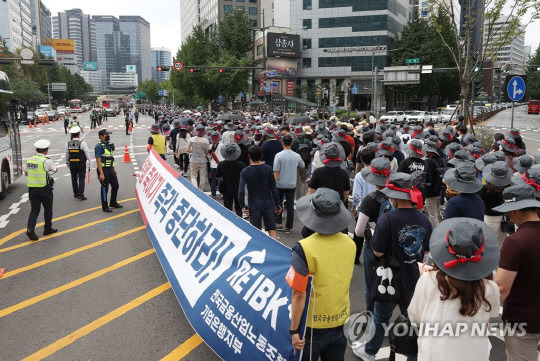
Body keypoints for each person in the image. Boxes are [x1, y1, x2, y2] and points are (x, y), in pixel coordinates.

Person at [352, 172, 432, 361]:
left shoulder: (387, 219)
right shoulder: (424, 220)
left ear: (395, 197)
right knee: (413, 319)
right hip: (413, 277)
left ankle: (370, 351)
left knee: (381, 317)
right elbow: (426, 253)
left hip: (389, 278)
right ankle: (413, 356)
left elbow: (378, 252)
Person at [408, 218, 500, 361]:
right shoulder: (490, 288)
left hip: (434, 353)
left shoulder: (429, 280)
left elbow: (415, 317)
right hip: (474, 354)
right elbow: (491, 313)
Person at [287, 188, 355, 361]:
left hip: (312, 326)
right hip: (341, 320)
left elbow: (298, 294)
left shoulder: (303, 248)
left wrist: (294, 330)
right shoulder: (350, 243)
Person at [493, 186, 540, 361]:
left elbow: (502, 286)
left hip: (522, 319)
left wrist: (487, 312)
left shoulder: (516, 242)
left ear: (512, 212)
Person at [305, 142, 350, 237]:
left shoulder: (318, 172)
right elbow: (346, 193)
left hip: (320, 208)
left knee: (307, 232)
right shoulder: (344, 173)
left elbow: (310, 192)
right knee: (341, 234)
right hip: (338, 208)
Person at [238, 145, 281, 239]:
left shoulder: (245, 171)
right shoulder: (268, 169)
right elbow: (274, 188)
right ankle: (274, 251)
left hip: (254, 204)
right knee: (272, 229)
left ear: (249, 156)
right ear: (261, 155)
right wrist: (278, 204)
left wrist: (242, 205)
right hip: (268, 203)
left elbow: (241, 190)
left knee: (255, 232)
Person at [25, 139, 58, 241]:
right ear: (46, 150)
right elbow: (55, 169)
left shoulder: (29, 160)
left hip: (32, 189)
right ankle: (47, 229)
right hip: (44, 188)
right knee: (48, 210)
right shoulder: (46, 160)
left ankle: (30, 229)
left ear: (36, 149)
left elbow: (26, 173)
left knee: (34, 210)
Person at [273, 135, 305, 233]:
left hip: (280, 183)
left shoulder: (278, 155)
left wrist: (274, 184)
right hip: (291, 184)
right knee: (290, 205)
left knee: (279, 203)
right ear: (291, 143)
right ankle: (289, 227)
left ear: (282, 143)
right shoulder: (296, 156)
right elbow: (302, 166)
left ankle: (279, 224)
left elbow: (276, 172)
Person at [479, 161, 512, 246]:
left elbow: (480, 202)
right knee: (499, 246)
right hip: (503, 221)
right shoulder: (509, 189)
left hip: (488, 219)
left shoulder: (485, 189)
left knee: (486, 246)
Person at [95, 129, 122, 212]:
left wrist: (114, 168)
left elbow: (111, 157)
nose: (108, 136)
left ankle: (113, 202)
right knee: (105, 188)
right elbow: (98, 160)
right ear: (101, 136)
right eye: (106, 135)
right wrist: (101, 174)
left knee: (115, 185)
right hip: (103, 169)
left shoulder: (109, 145)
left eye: (108, 134)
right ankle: (105, 206)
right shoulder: (99, 146)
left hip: (110, 168)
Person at [216, 143, 246, 216]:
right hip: (238, 188)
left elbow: (217, 175)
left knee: (227, 208)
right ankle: (239, 221)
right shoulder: (241, 164)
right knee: (238, 207)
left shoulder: (221, 164)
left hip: (226, 189)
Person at [66, 126, 92, 201]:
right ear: (78, 134)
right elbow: (87, 153)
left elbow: (67, 154)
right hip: (81, 163)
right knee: (81, 178)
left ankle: (76, 193)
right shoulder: (82, 143)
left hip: (72, 164)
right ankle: (81, 195)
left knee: (73, 179)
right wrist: (90, 162)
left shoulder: (68, 143)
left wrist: (67, 162)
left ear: (71, 134)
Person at [423, 140, 445, 227]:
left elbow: (428, 179)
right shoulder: (443, 160)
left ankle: (435, 234)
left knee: (433, 216)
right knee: (435, 213)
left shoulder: (428, 162)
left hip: (431, 193)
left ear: (431, 152)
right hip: (441, 190)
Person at [187, 124, 210, 191]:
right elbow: (207, 152)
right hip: (202, 160)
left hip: (193, 160)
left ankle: (195, 188)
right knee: (202, 176)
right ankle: (201, 189)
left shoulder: (191, 140)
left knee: (194, 176)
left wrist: (193, 150)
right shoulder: (206, 140)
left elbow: (187, 150)